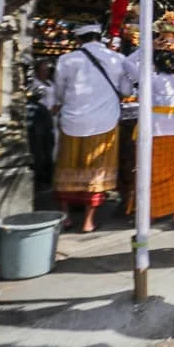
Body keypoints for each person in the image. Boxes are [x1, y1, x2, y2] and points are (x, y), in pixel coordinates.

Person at [52, 23, 133, 233]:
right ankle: (89, 221)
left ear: (78, 40)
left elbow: (58, 91)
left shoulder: (66, 59)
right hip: (104, 122)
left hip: (72, 121)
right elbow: (125, 90)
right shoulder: (118, 59)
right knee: (96, 172)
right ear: (100, 37)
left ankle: (66, 217)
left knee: (67, 168)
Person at [123, 13, 174, 224]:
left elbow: (126, 63)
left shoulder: (150, 78)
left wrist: (149, 47)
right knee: (168, 172)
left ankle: (147, 212)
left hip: (153, 130)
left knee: (146, 171)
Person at [28, 59, 57, 188]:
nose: (45, 72)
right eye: (43, 70)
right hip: (41, 120)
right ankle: (43, 176)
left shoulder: (51, 83)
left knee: (52, 145)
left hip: (54, 118)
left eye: (47, 70)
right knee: (43, 148)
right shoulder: (35, 84)